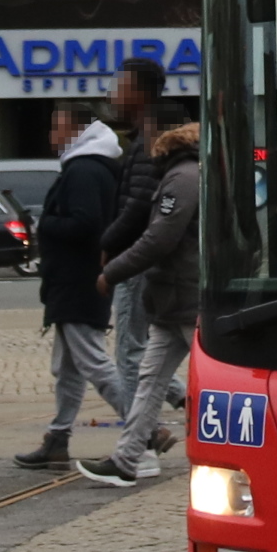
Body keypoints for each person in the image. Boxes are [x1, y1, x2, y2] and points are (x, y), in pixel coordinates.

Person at [78, 121, 199, 487]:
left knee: (206, 381)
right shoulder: (188, 174)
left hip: (185, 296)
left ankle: (131, 459)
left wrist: (112, 271)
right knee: (150, 380)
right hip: (174, 298)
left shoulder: (181, 179)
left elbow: (159, 237)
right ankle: (127, 459)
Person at [13, 102, 126, 470]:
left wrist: (45, 224)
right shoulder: (95, 166)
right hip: (77, 280)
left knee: (93, 362)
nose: (51, 135)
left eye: (56, 126)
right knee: (67, 368)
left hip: (77, 282)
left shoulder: (83, 170)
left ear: (76, 129)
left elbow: (86, 224)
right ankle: (57, 438)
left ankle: (146, 427)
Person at [96, 55, 172, 442]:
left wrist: (109, 245)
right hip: (148, 257)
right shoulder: (149, 132)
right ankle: (146, 438)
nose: (113, 94)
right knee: (156, 349)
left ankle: (138, 450)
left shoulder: (150, 137)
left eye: (119, 86)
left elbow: (139, 204)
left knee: (130, 353)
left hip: (138, 259)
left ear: (139, 93)